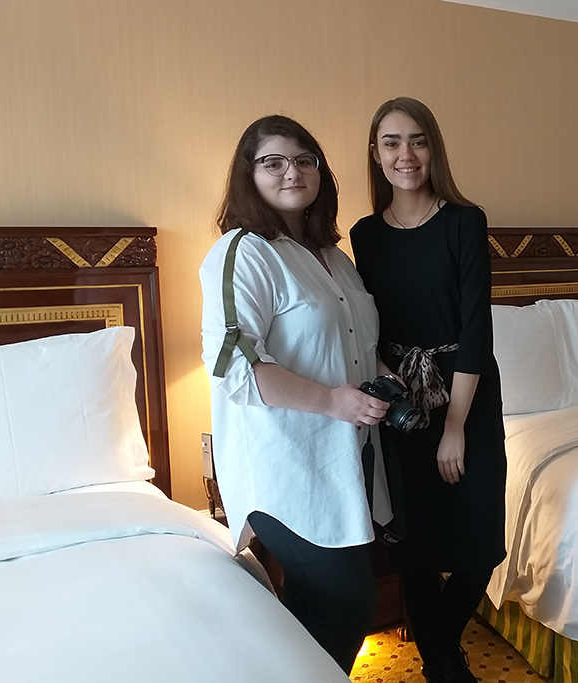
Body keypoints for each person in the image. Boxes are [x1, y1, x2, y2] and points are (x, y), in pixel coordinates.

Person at [199, 114, 392, 674]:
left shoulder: (334, 258)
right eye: (274, 162)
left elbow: (356, 341)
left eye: (305, 160)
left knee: (318, 609)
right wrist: (333, 401)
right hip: (285, 466)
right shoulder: (243, 252)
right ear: (249, 174)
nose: (292, 172)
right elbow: (236, 367)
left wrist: (384, 374)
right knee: (346, 603)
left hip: (345, 458)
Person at [349, 97, 507, 683]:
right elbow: (367, 326)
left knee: (481, 547)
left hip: (466, 395)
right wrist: (381, 382)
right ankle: (445, 667)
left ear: (432, 148)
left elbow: (476, 330)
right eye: (391, 142)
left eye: (417, 140)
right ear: (376, 154)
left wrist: (456, 427)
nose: (406, 154)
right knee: (413, 549)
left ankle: (438, 651)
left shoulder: (465, 221)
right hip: (403, 404)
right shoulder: (364, 235)